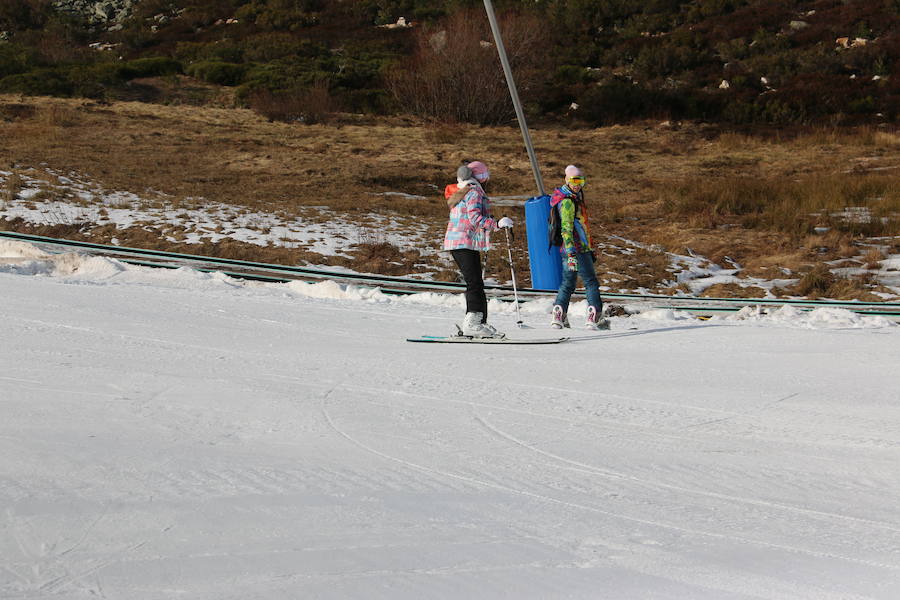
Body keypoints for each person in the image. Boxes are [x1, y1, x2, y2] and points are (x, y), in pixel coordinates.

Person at [443, 160, 513, 337]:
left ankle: (480, 323)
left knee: (477, 283)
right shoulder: (473, 191)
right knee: (474, 283)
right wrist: (496, 224)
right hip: (463, 242)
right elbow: (475, 219)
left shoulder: (466, 190)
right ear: (479, 175)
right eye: (485, 173)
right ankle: (472, 323)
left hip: (463, 242)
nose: (487, 177)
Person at [550, 165, 609, 330]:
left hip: (570, 250)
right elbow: (566, 229)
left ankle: (559, 315)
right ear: (567, 180)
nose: (578, 184)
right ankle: (594, 317)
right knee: (590, 282)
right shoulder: (568, 202)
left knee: (568, 283)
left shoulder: (570, 197)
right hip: (577, 250)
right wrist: (571, 252)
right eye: (574, 180)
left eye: (581, 180)